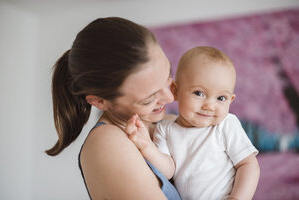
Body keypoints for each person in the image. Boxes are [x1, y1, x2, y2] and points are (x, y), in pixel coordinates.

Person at [46, 17, 181, 200]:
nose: (170, 98)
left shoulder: (166, 124)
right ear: (100, 102)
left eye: (168, 78)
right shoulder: (107, 142)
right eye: (149, 99)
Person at [125, 46, 260, 200]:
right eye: (199, 93)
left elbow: (248, 164)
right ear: (176, 91)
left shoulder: (226, 125)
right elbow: (168, 170)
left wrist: (238, 198)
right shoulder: (165, 130)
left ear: (231, 100)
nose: (209, 105)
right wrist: (146, 146)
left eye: (221, 98)